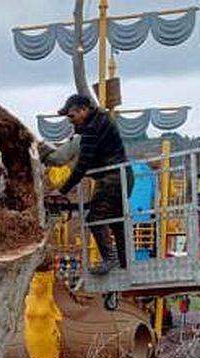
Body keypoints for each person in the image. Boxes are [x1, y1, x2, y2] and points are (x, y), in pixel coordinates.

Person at [50, 94, 133, 275]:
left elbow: (82, 166)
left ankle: (110, 258)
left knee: (96, 219)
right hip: (123, 175)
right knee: (117, 221)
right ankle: (125, 263)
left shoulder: (92, 129)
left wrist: (62, 190)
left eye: (72, 116)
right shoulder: (100, 120)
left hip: (113, 178)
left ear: (83, 110)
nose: (71, 122)